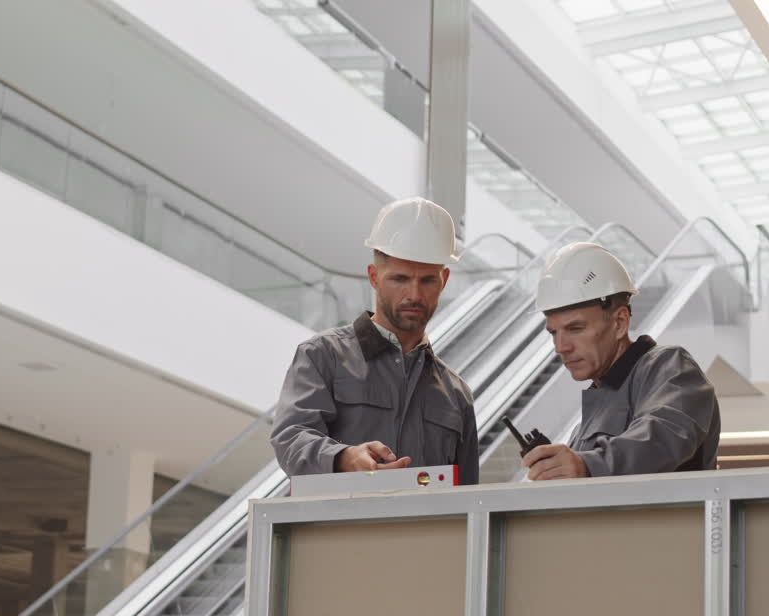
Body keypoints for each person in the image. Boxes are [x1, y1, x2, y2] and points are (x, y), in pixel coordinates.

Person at [271, 197, 479, 485]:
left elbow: (466, 495)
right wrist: (343, 458)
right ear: (374, 277)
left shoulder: (457, 396)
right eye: (400, 279)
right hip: (339, 530)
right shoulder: (323, 356)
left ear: (443, 280)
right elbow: (291, 438)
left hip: (425, 531)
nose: (414, 295)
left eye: (427, 281)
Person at [521, 242, 719, 481]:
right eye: (554, 333)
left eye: (575, 328)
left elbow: (663, 438)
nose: (561, 347)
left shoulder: (669, 368)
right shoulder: (590, 416)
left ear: (620, 322)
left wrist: (587, 465)